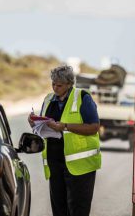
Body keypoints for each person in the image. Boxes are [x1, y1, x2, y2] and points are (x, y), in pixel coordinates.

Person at [28, 65, 101, 216]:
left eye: (59, 85)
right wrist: (34, 122)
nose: (55, 88)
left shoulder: (83, 98)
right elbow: (43, 124)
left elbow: (94, 127)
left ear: (69, 84)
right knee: (59, 209)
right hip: (55, 163)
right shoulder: (48, 99)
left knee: (78, 209)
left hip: (80, 166)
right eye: (53, 84)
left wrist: (65, 126)